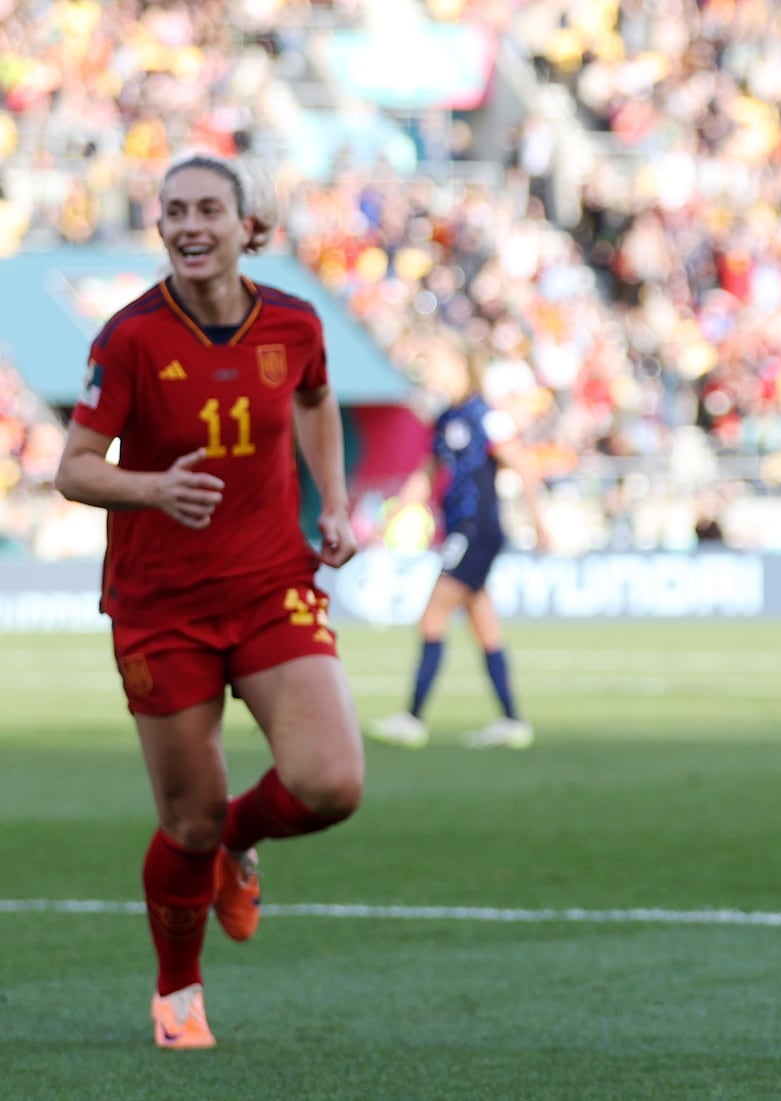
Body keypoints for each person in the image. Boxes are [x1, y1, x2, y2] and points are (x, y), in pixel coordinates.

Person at [52, 151, 364, 1049]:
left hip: (271, 583)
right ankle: (177, 994)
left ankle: (236, 842)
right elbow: (72, 469)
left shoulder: (296, 322)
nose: (189, 225)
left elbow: (315, 398)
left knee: (331, 782)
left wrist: (333, 501)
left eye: (208, 211)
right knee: (184, 817)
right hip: (162, 604)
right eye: (174, 210)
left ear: (247, 228)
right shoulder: (129, 337)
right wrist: (153, 489)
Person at [368, 339, 547, 750]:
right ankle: (512, 721)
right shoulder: (447, 419)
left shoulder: (486, 417)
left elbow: (523, 466)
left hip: (477, 530)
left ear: (463, 367)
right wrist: (388, 521)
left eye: (438, 364)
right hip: (461, 531)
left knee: (433, 616)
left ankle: (411, 719)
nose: (431, 374)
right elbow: (426, 476)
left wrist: (540, 523)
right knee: (484, 626)